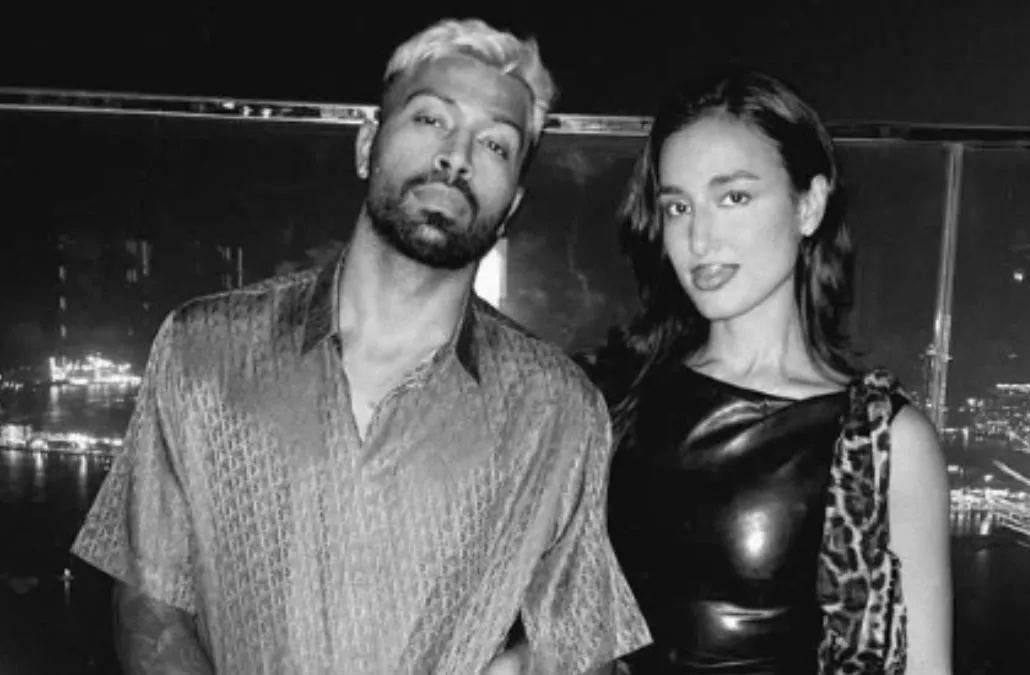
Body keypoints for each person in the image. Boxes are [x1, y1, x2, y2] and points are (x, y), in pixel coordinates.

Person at [71, 18, 649, 675]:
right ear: (367, 144)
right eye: (430, 119)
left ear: (512, 204)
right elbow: (150, 607)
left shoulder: (558, 409)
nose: (456, 156)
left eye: (495, 143)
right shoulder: (202, 350)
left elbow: (577, 644)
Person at [580, 65, 953, 674]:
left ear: (809, 205)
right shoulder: (617, 396)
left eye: (734, 197)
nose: (699, 238)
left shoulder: (879, 442)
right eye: (678, 206)